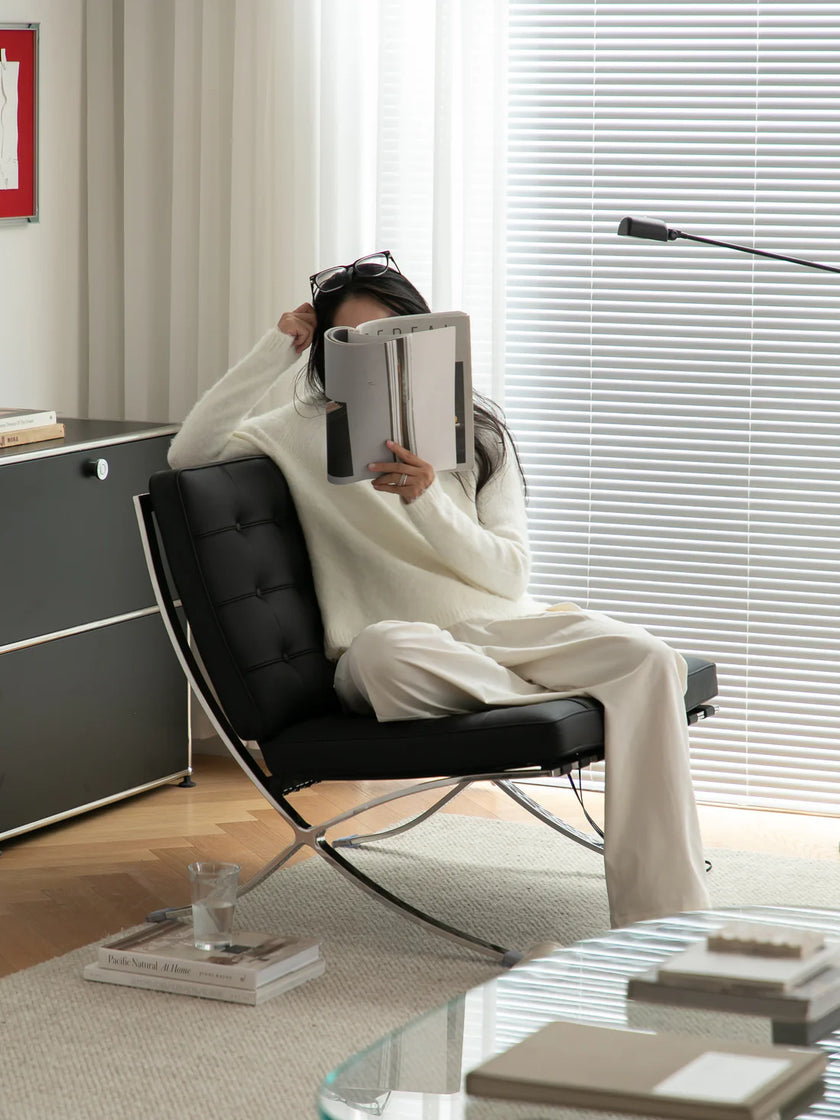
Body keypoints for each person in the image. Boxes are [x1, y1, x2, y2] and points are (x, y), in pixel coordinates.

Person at [168, 250, 711, 929]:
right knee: (384, 655)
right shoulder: (291, 434)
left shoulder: (479, 435)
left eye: (388, 338)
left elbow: (508, 575)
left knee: (651, 660)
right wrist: (277, 348)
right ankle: (565, 693)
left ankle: (667, 918)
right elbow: (187, 454)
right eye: (348, 344)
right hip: (400, 652)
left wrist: (426, 499)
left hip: (507, 630)